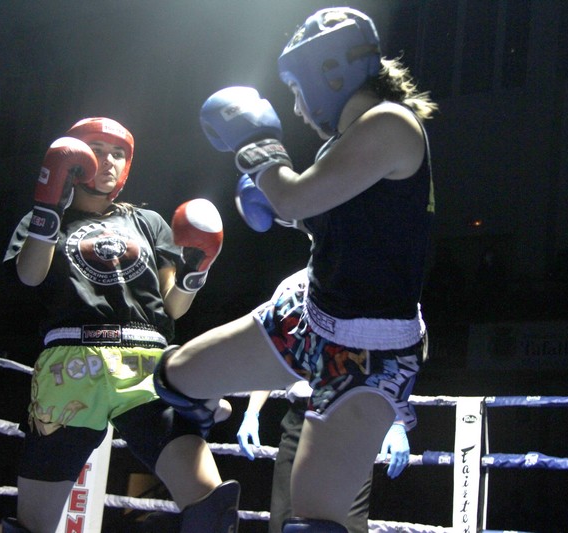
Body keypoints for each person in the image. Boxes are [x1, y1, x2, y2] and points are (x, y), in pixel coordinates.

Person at [153, 7, 436, 532]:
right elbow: (328, 221)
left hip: (369, 353)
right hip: (305, 317)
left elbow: (294, 197)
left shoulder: (391, 124)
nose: (298, 107)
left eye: (295, 89)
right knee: (175, 379)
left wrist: (255, 148)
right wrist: (281, 207)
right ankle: (205, 507)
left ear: (328, 73)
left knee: (311, 523)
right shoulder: (345, 144)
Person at [0, 117, 239, 533]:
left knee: (211, 509)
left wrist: (197, 270)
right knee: (30, 528)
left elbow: (173, 307)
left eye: (118, 153)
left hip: (145, 365)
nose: (108, 160)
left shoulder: (149, 222)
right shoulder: (46, 217)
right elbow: (30, 275)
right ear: (75, 157)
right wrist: (49, 207)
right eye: (97, 149)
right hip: (69, 368)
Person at [237, 382, 412, 533]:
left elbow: (396, 363)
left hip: (353, 416)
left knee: (350, 521)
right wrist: (251, 412)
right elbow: (275, 362)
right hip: (301, 415)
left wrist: (397, 420)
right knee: (284, 517)